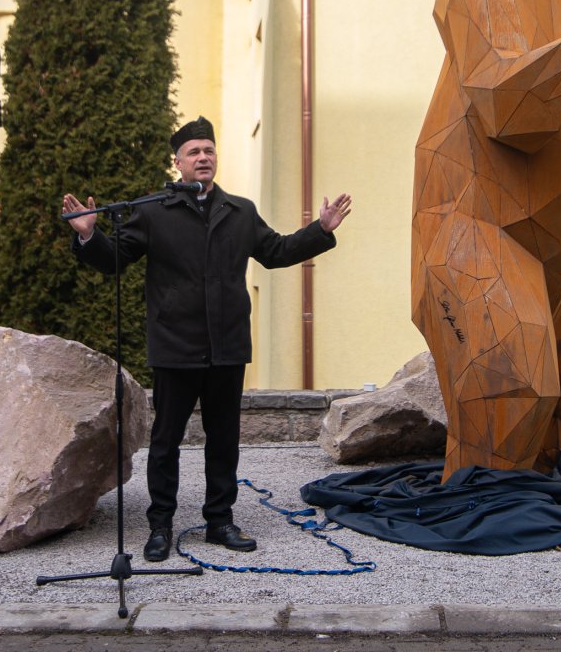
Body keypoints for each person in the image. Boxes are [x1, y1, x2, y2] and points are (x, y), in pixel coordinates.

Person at [62, 116, 352, 562]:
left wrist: (321, 230)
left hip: (228, 345)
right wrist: (89, 236)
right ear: (177, 162)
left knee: (224, 440)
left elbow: (275, 253)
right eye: (194, 152)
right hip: (175, 345)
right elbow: (115, 259)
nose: (203, 158)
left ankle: (220, 520)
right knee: (165, 442)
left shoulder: (240, 211)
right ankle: (160, 526)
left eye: (209, 151)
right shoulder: (154, 211)